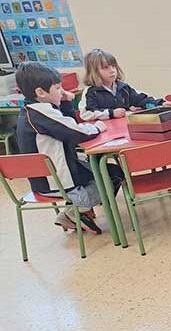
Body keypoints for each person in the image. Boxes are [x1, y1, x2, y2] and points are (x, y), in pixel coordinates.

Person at [16, 62, 122, 234]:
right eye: (58, 88)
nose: (63, 91)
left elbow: (68, 124)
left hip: (49, 178)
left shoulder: (32, 111)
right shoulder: (42, 113)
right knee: (114, 175)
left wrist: (64, 102)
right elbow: (75, 133)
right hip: (57, 182)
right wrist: (98, 127)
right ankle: (75, 212)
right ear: (40, 93)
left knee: (109, 171)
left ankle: (74, 213)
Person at [78, 49, 168, 121]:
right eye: (105, 68)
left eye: (113, 66)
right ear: (94, 72)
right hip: (105, 132)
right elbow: (86, 114)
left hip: (123, 128)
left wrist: (160, 104)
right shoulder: (91, 92)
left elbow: (141, 100)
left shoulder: (123, 88)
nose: (112, 70)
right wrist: (111, 113)